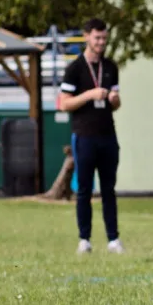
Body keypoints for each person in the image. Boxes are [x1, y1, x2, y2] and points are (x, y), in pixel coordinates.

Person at [59, 18, 124, 254]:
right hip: (84, 136)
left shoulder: (110, 67)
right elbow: (64, 104)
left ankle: (113, 240)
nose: (101, 42)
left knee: (109, 189)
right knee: (84, 189)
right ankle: (84, 239)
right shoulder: (74, 68)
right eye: (97, 38)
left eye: (104, 38)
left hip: (108, 135)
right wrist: (89, 95)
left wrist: (114, 101)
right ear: (86, 36)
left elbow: (115, 103)